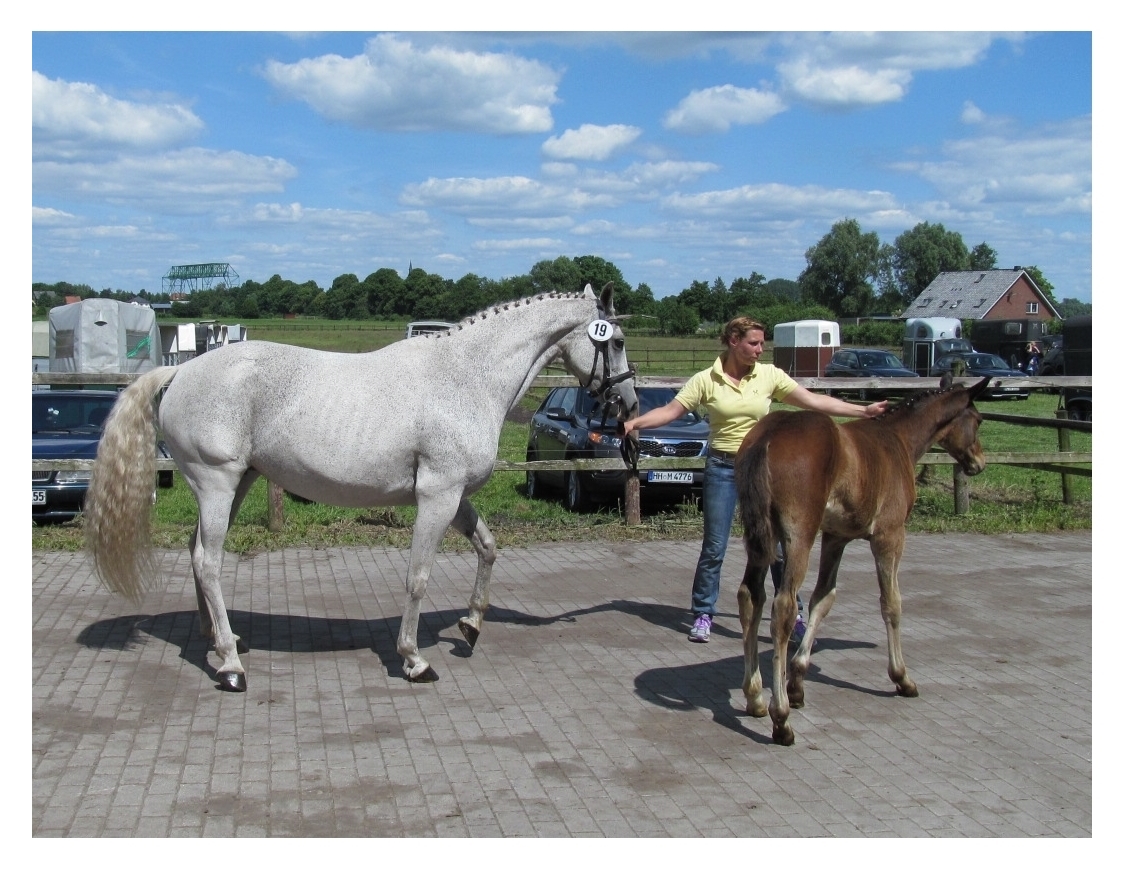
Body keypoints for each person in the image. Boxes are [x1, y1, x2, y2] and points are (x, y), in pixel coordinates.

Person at [622, 316, 888, 643]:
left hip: (763, 470)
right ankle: (704, 613)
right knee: (715, 546)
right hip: (722, 468)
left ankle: (792, 612)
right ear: (733, 341)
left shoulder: (769, 376)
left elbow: (814, 402)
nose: (760, 350)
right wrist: (636, 424)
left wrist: (861, 412)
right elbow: (672, 411)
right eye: (753, 343)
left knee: (776, 544)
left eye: (762, 343)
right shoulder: (706, 379)